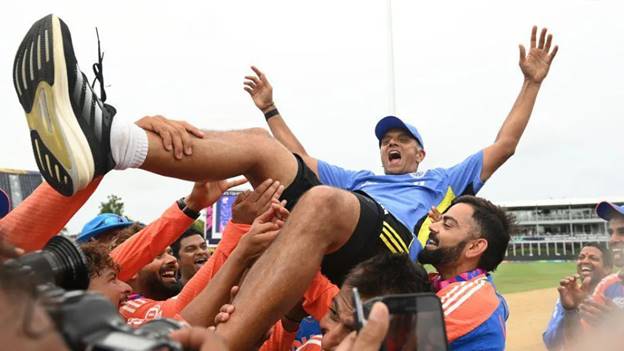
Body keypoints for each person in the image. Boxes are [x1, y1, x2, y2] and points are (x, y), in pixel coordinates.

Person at [13, 15, 557, 350]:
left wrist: (530, 84)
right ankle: (110, 142)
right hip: (354, 244)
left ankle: (224, 343)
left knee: (322, 205)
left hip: (396, 260)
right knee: (257, 147)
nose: (391, 144)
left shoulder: (444, 182)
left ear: (420, 151)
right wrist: (271, 108)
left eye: (401, 139)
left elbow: (504, 146)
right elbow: (294, 158)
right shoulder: (361, 179)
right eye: (385, 138)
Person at [418, 195, 512, 350]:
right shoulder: (480, 289)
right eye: (439, 220)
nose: (432, 226)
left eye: (447, 225)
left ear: (474, 247)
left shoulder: (467, 300)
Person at [542, 243, 612, 350]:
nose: (584, 261)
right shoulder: (567, 298)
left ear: (607, 269)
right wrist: (569, 310)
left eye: (593, 258)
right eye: (581, 257)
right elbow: (551, 343)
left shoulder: (616, 298)